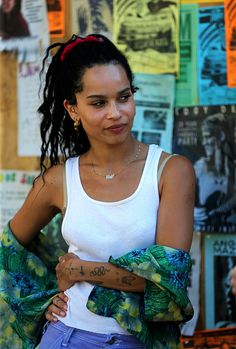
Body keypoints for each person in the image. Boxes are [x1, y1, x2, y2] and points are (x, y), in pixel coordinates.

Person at [0, 34, 195, 349]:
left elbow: (168, 284)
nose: (115, 113)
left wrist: (79, 269)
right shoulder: (58, 180)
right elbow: (7, 251)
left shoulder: (170, 172)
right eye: (98, 103)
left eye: (123, 97)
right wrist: (39, 301)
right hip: (63, 336)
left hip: (135, 341)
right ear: (72, 108)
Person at [194, 112, 236, 232]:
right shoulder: (199, 167)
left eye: (208, 137)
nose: (204, 142)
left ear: (221, 136)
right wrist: (192, 212)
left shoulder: (233, 170)